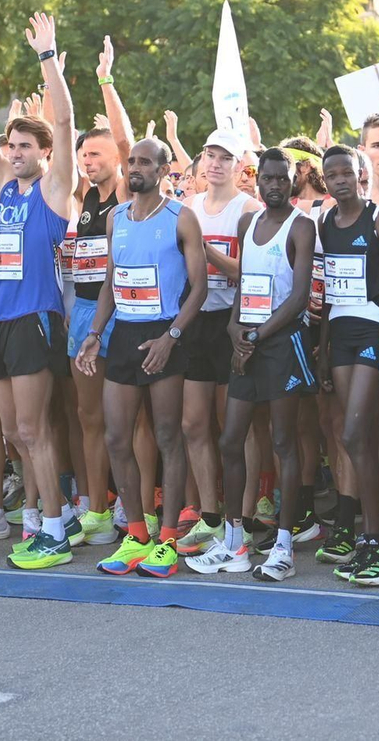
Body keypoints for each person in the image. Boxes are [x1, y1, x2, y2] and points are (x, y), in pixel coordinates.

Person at [0, 10, 79, 569]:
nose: (14, 153)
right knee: (14, 431)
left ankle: (54, 530)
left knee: (33, 429)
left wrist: (47, 57)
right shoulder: (5, 186)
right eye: (11, 146)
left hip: (35, 317)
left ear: (44, 153)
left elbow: (68, 119)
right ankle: (56, 517)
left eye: (25, 146)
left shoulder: (54, 190)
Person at [78, 137, 208, 579]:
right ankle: (136, 534)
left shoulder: (181, 217)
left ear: (163, 170)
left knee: (168, 437)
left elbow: (199, 288)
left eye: (145, 162)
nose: (135, 168)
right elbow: (110, 282)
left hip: (164, 333)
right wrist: (94, 333)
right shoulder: (116, 217)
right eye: (131, 161)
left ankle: (167, 540)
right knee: (117, 437)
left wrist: (171, 337)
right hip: (124, 334)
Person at [189, 148, 319, 581]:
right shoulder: (248, 223)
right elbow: (244, 283)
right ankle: (234, 543)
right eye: (267, 178)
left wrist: (257, 336)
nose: (274, 185)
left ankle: (283, 546)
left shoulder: (302, 226)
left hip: (281, 343)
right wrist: (234, 329)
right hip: (246, 342)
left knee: (283, 442)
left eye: (282, 178)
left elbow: (299, 297)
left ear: (292, 181)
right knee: (231, 440)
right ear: (257, 179)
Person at [315, 145, 379, 583]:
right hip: (341, 335)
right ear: (325, 181)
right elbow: (329, 291)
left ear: (359, 175)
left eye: (346, 173)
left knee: (354, 434)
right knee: (355, 437)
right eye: (332, 175)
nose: (340, 181)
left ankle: (377, 539)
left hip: (373, 331)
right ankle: (370, 539)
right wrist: (323, 348)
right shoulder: (325, 222)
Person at [65, 37, 135, 547]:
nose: (87, 160)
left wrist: (106, 80)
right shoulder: (83, 195)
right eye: (82, 154)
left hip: (126, 310)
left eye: (95, 153)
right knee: (89, 416)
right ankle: (96, 508)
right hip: (85, 311)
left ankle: (135, 504)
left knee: (129, 419)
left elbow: (127, 141)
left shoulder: (128, 191)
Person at [178, 129, 262, 554]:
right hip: (195, 322)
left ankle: (242, 517)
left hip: (233, 323)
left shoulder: (248, 209)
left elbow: (249, 271)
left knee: (237, 427)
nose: (215, 163)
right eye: (210, 155)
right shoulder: (188, 207)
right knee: (193, 423)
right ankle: (210, 516)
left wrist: (205, 250)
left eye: (225, 157)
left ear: (239, 165)